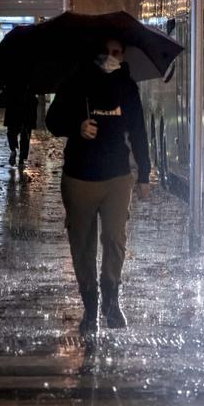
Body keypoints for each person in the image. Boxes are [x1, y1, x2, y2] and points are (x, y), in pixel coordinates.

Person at [46, 37, 152, 335]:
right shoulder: (75, 82)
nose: (109, 57)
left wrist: (144, 173)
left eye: (115, 52)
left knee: (115, 239)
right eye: (104, 52)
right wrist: (77, 125)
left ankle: (111, 298)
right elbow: (52, 121)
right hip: (79, 178)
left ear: (123, 55)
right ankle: (89, 306)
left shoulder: (127, 87)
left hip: (117, 178)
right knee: (82, 245)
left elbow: (139, 131)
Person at [0, 83, 38, 167]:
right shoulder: (33, 75)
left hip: (14, 108)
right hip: (28, 109)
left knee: (12, 132)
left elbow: (1, 86)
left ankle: (13, 150)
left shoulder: (12, 77)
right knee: (25, 135)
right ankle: (22, 159)